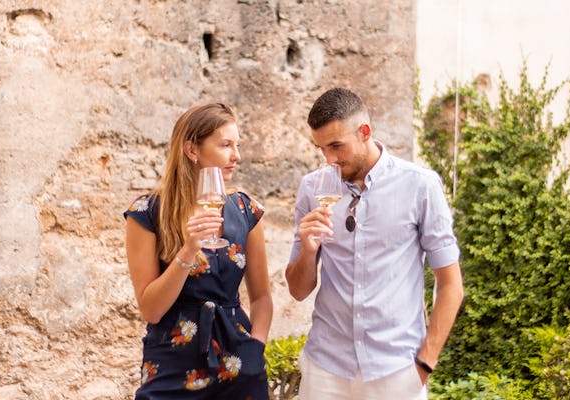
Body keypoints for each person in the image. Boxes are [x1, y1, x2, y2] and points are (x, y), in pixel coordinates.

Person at [286, 88, 464, 399]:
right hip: (326, 369)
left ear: (364, 132)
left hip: (395, 371)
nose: (329, 159)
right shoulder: (312, 188)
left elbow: (451, 285)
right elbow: (298, 290)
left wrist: (425, 363)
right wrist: (308, 249)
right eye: (321, 148)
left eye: (336, 146)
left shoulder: (420, 186)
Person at [124, 103, 272, 399]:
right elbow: (151, 310)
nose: (237, 156)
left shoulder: (245, 209)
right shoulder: (148, 212)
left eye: (237, 145)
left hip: (239, 362)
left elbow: (262, 296)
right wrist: (188, 250)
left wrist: (256, 347)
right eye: (226, 145)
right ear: (192, 149)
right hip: (172, 365)